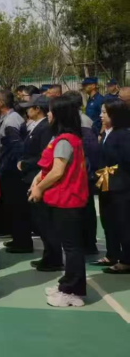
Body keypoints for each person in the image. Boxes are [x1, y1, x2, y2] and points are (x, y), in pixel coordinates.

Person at [29, 96, 90, 308]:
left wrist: (39, 188)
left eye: (51, 111)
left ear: (59, 115)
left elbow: (57, 171)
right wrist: (38, 179)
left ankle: (72, 290)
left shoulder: (65, 141)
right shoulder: (67, 138)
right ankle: (68, 282)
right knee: (69, 245)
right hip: (66, 199)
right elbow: (49, 168)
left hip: (67, 199)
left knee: (72, 248)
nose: (48, 114)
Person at [17, 95, 59, 271]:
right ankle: (49, 256)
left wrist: (26, 164)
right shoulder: (36, 126)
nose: (27, 111)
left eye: (30, 107)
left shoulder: (45, 128)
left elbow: (44, 155)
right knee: (40, 221)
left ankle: (53, 259)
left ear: (38, 109)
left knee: (45, 222)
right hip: (31, 176)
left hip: (38, 177)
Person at [94, 100, 130, 273]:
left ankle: (127, 260)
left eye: (105, 113)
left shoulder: (123, 135)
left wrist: (112, 172)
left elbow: (125, 161)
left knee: (123, 223)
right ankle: (112, 254)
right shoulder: (107, 132)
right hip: (106, 183)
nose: (101, 116)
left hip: (120, 186)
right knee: (108, 221)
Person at [63, 91, 100, 255]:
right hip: (83, 172)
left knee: (85, 209)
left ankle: (88, 244)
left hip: (85, 173)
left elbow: (90, 150)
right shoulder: (77, 120)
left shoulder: (82, 122)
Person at [0, 90, 27, 252]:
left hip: (12, 171)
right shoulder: (3, 118)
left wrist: (9, 167)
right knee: (11, 207)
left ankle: (22, 242)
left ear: (1, 104)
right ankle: (17, 238)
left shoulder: (12, 120)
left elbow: (16, 147)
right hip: (6, 168)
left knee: (17, 207)